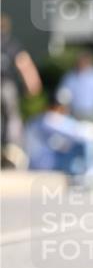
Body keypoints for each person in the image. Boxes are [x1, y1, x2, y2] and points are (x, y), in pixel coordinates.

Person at [24, 87, 93, 188]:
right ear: (60, 107)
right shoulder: (49, 119)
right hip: (46, 163)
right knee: (86, 143)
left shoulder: (39, 119)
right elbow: (76, 131)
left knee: (78, 147)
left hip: (43, 161)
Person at [1, 14, 43, 168]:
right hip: (6, 86)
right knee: (12, 118)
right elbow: (24, 64)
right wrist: (33, 84)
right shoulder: (12, 44)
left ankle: (10, 151)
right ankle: (11, 150)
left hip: (6, 86)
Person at [57, 50, 93, 124]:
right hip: (75, 115)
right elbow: (63, 97)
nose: (82, 63)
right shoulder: (69, 77)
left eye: (84, 61)